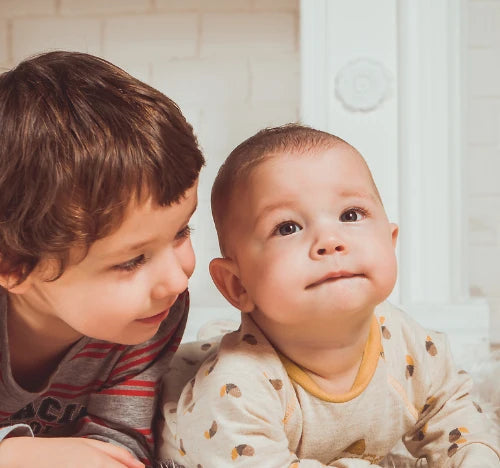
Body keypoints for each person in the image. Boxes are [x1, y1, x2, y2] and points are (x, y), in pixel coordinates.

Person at [160, 124, 500, 467]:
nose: (330, 239)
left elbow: (457, 417)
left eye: (351, 215)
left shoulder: (408, 344)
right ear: (238, 285)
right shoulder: (233, 390)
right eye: (287, 227)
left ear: (390, 241)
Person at [0, 51, 204, 468]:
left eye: (182, 231)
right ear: (14, 265)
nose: (176, 282)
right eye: (132, 261)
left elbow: (121, 441)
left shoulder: (149, 317)